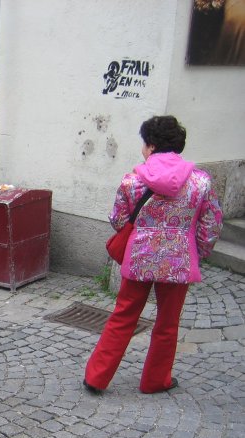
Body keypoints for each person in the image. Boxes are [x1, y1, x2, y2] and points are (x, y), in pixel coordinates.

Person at [84, 116, 223, 395]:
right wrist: (198, 253)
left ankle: (96, 377)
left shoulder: (132, 181)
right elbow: (211, 225)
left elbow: (118, 219)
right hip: (179, 260)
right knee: (167, 323)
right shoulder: (201, 182)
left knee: (123, 316)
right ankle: (156, 381)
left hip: (139, 258)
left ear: (151, 146)